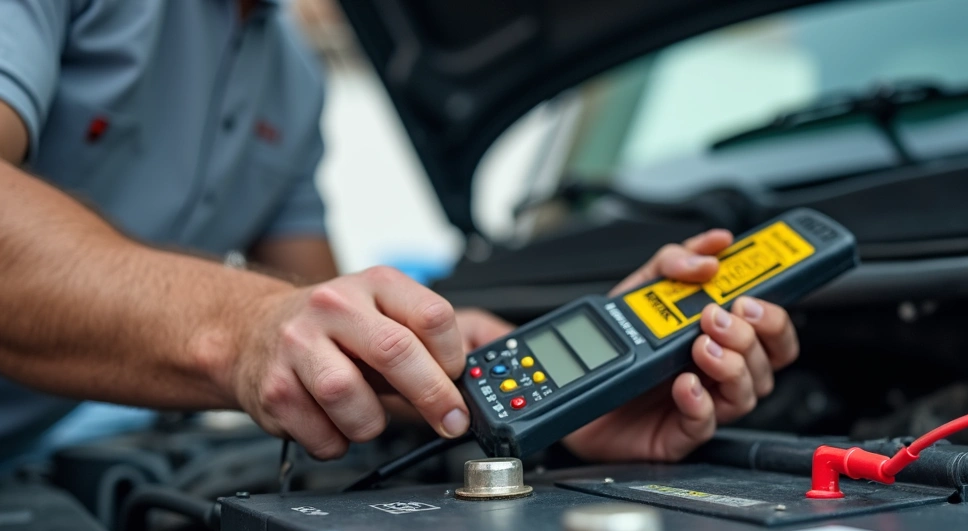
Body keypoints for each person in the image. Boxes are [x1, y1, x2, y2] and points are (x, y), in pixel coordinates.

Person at [0, 0, 800, 462]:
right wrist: (244, 328)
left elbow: (318, 320)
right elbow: (271, 325)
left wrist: (550, 399)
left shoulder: (293, 76)